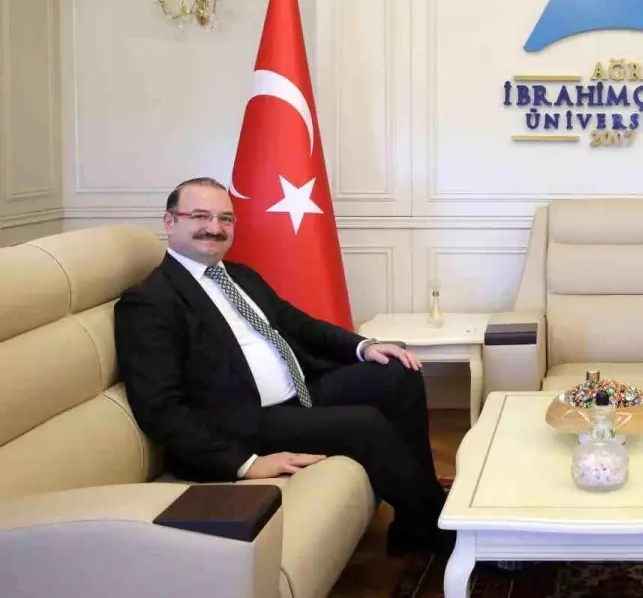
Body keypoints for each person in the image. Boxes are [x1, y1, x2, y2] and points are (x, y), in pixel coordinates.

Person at [115, 177, 451, 554]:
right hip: (244, 421)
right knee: (365, 424)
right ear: (170, 221)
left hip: (299, 392)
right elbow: (159, 407)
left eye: (225, 218)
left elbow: (297, 324)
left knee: (397, 372)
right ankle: (441, 530)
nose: (214, 227)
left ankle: (415, 523)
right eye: (200, 216)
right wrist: (245, 464)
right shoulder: (149, 302)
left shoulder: (239, 275)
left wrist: (364, 346)